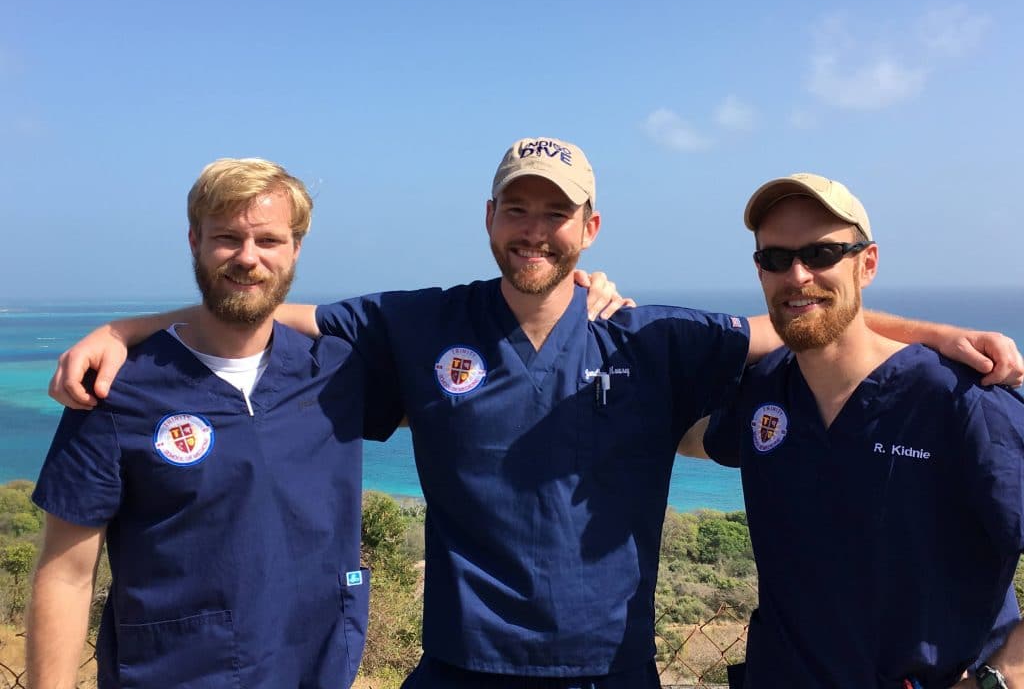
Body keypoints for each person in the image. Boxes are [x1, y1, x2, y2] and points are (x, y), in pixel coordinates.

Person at [49, 140, 1024, 688]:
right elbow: (262, 304)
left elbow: (799, 318)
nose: (534, 229)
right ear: (488, 219)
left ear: (588, 228)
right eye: (517, 210)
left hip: (610, 669)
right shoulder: (423, 321)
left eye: (555, 213)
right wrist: (128, 327)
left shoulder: (649, 335)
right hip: (460, 667)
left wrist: (929, 331)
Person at [28, 159, 374, 689]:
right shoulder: (117, 389)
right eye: (227, 238)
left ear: (296, 248)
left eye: (269, 241)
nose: (248, 258)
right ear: (194, 241)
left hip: (315, 670)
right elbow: (68, 574)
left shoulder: (335, 372)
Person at [690, 173, 1024, 688]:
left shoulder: (961, 400)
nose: (798, 275)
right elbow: (685, 434)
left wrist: (1000, 678)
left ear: (867, 264)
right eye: (775, 258)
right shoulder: (765, 392)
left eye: (822, 254)